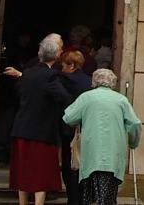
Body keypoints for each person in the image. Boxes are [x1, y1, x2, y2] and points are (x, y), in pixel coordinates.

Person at [6, 36, 70, 205]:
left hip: (21, 128)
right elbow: (64, 98)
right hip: (41, 132)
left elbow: (20, 92)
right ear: (56, 56)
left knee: (23, 171)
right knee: (40, 174)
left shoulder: (27, 73)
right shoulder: (51, 76)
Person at [63, 69, 142, 205]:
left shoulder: (86, 97)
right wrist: (133, 142)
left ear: (94, 81)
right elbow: (135, 123)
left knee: (90, 196)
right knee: (108, 198)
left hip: (90, 155)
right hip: (113, 156)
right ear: (113, 83)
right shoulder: (121, 100)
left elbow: (69, 117)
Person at [58, 51, 92, 205]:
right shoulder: (89, 81)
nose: (62, 68)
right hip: (86, 129)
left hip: (69, 128)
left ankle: (73, 199)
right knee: (82, 165)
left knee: (69, 165)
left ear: (71, 66)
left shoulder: (63, 79)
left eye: (63, 65)